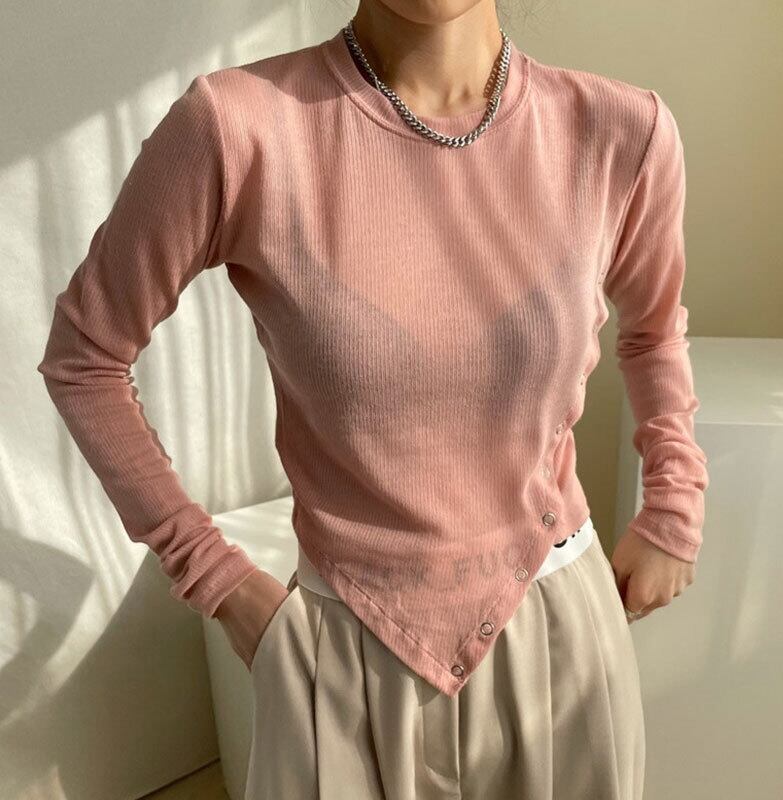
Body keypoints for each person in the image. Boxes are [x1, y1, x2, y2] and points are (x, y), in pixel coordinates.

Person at [37, 1, 709, 798]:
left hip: (560, 639)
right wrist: (216, 581)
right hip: (341, 656)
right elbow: (85, 356)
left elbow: (653, 331)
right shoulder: (239, 127)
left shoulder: (619, 132)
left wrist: (675, 504)